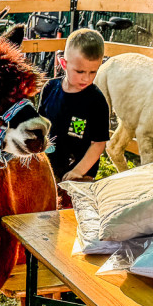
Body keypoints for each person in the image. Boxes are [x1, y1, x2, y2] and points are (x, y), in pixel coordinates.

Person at [38, 28, 109, 192]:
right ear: (64, 64)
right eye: (80, 71)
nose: (86, 78)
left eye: (93, 72)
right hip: (47, 169)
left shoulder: (96, 102)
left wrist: (78, 171)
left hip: (79, 177)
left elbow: (98, 144)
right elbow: (40, 127)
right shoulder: (49, 89)